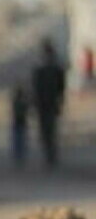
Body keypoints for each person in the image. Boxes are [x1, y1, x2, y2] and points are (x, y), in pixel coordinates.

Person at [33, 40, 68, 170]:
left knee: (49, 130)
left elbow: (60, 87)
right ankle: (49, 156)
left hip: (49, 104)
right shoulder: (43, 69)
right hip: (46, 104)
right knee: (47, 131)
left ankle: (51, 156)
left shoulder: (51, 69)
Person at [11, 84, 32, 169]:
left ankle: (19, 156)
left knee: (18, 142)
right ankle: (20, 156)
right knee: (21, 141)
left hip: (18, 124)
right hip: (21, 124)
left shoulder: (16, 102)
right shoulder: (21, 103)